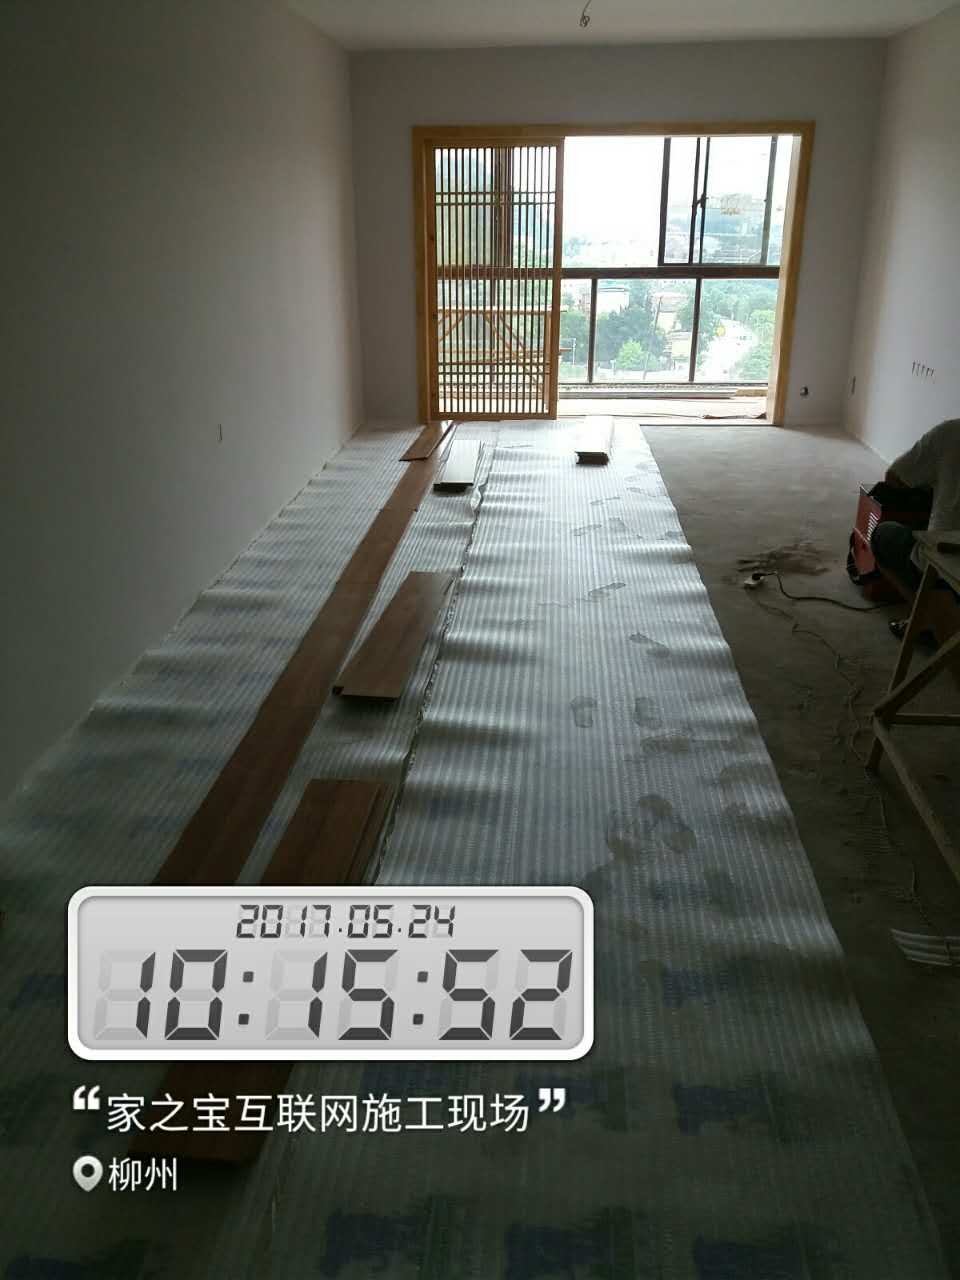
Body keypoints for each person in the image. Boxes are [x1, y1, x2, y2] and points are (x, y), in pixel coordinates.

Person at [871, 418, 960, 638]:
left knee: (882, 535)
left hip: (946, 567)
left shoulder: (950, 433)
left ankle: (928, 619)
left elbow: (894, 477)